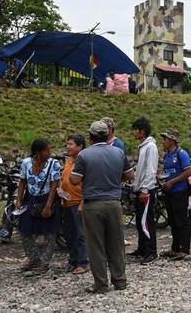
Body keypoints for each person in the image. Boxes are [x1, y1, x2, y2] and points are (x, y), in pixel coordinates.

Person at [70, 121, 133, 294]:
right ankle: (120, 281)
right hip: (114, 203)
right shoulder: (118, 152)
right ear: (107, 135)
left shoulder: (84, 155)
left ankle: (101, 284)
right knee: (116, 244)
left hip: (93, 205)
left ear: (90, 138)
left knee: (96, 246)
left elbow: (74, 180)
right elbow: (130, 175)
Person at [15, 139, 61, 275]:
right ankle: (34, 258)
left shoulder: (54, 164)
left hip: (48, 198)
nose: (49, 152)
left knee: (50, 233)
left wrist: (48, 206)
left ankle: (45, 262)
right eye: (46, 150)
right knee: (25, 230)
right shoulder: (26, 163)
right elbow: (22, 181)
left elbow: (54, 185)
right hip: (31, 199)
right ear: (37, 152)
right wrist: (19, 200)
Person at [127, 118, 159, 265]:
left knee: (147, 221)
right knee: (140, 221)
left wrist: (145, 189)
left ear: (142, 131)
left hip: (146, 190)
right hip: (139, 188)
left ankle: (151, 251)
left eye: (136, 130)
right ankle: (142, 247)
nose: (134, 133)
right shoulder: (143, 146)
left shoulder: (150, 147)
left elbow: (151, 170)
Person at [159, 129, 191, 260]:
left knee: (181, 220)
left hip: (180, 191)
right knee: (172, 220)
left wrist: (172, 182)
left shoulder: (181, 154)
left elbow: (187, 172)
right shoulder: (167, 156)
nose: (163, 142)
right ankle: (175, 247)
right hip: (169, 192)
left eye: (165, 139)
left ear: (172, 140)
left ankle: (185, 248)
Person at [61, 135, 88, 274]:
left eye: (71, 144)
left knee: (81, 234)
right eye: (67, 144)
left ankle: (83, 262)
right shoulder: (69, 161)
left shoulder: (83, 162)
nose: (68, 147)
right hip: (66, 202)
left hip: (78, 203)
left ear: (80, 146)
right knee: (69, 234)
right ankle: (73, 260)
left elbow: (88, 184)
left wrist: (83, 203)